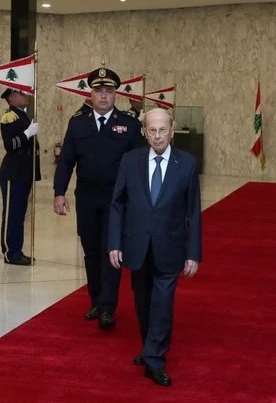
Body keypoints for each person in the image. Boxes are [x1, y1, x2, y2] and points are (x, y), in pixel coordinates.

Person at [108, 108, 202, 387]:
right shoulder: (129, 161)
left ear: (172, 131)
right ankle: (150, 346)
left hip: (170, 247)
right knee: (142, 301)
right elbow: (118, 204)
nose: (158, 136)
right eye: (152, 130)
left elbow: (193, 212)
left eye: (163, 130)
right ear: (144, 132)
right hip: (137, 247)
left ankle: (155, 358)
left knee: (162, 304)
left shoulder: (186, 163)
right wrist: (114, 242)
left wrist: (193, 252)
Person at [53, 66, 146, 330]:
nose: (104, 96)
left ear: (115, 94)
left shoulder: (128, 124)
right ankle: (95, 301)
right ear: (90, 94)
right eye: (99, 91)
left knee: (111, 252)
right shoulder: (77, 123)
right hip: (87, 197)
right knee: (91, 251)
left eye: (109, 91)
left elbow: (140, 163)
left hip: (117, 200)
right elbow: (66, 161)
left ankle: (108, 307)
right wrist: (59, 192)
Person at [0, 88, 41, 266]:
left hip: (23, 172)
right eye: (23, 94)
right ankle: (10, 252)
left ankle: (17, 250)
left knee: (20, 214)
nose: (27, 96)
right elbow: (11, 145)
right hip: (13, 172)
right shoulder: (10, 117)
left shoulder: (23, 116)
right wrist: (27, 133)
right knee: (12, 214)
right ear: (12, 98)